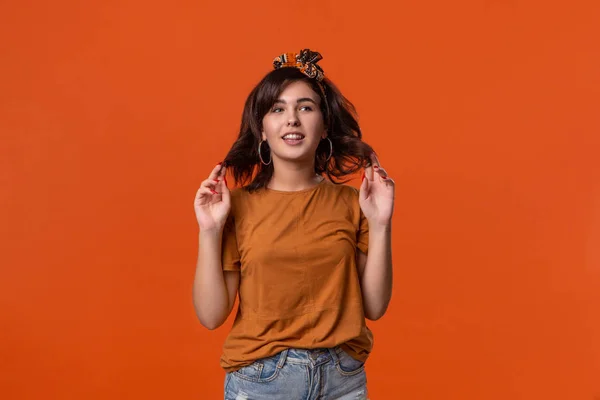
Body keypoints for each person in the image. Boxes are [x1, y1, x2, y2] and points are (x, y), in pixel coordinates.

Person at [193, 49, 395, 400]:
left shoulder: (353, 203)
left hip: (341, 380)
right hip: (262, 381)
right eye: (277, 109)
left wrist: (380, 224)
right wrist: (209, 230)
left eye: (305, 107)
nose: (292, 119)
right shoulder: (235, 206)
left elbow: (375, 307)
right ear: (262, 129)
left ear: (324, 124)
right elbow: (211, 316)